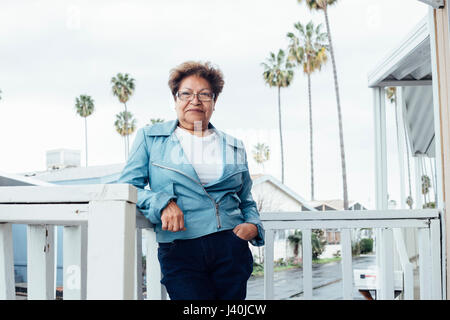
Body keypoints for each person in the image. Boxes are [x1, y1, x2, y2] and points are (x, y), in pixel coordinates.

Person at [117, 61, 265, 300]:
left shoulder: (234, 146)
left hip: (231, 245)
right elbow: (126, 187)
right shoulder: (150, 138)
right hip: (180, 246)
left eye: (204, 94)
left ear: (214, 102)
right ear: (175, 99)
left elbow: (246, 199)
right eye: (186, 93)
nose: (195, 100)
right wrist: (162, 202)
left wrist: (253, 226)